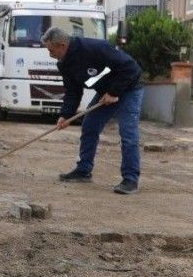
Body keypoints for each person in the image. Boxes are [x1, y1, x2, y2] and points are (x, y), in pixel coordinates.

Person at [41, 27, 144, 194]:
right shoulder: (64, 64)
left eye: (51, 50)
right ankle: (83, 170)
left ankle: (130, 179)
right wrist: (65, 115)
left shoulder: (94, 48)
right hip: (107, 91)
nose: (50, 54)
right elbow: (73, 91)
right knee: (90, 125)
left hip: (130, 87)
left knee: (128, 133)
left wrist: (114, 92)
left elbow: (131, 68)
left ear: (61, 45)